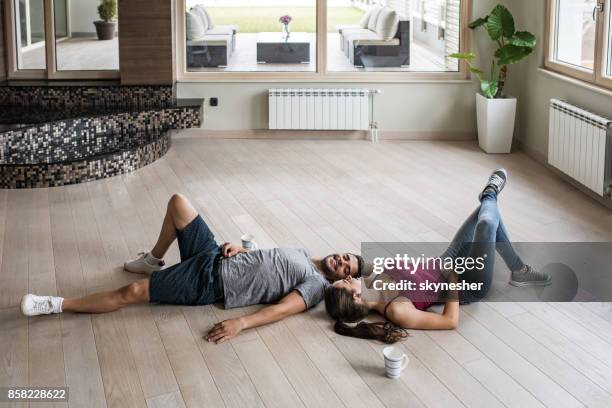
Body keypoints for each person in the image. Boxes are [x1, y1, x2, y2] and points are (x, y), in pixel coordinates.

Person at [21, 193, 364, 343]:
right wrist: (240, 248)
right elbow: (268, 266)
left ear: (342, 277)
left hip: (208, 282)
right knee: (178, 202)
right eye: (346, 255)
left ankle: (54, 304)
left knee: (133, 293)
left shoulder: (316, 285)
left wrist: (241, 323)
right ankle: (152, 259)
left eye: (346, 267)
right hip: (215, 255)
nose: (342, 260)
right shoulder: (305, 254)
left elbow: (282, 310)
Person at [324, 169, 552, 343]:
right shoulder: (397, 310)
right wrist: (452, 280)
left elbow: (350, 263)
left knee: (484, 216)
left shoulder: (370, 280)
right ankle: (491, 194)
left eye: (345, 277)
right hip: (467, 282)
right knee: (486, 223)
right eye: (345, 282)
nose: (347, 278)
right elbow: (449, 321)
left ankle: (518, 268)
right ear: (355, 297)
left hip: (447, 260)